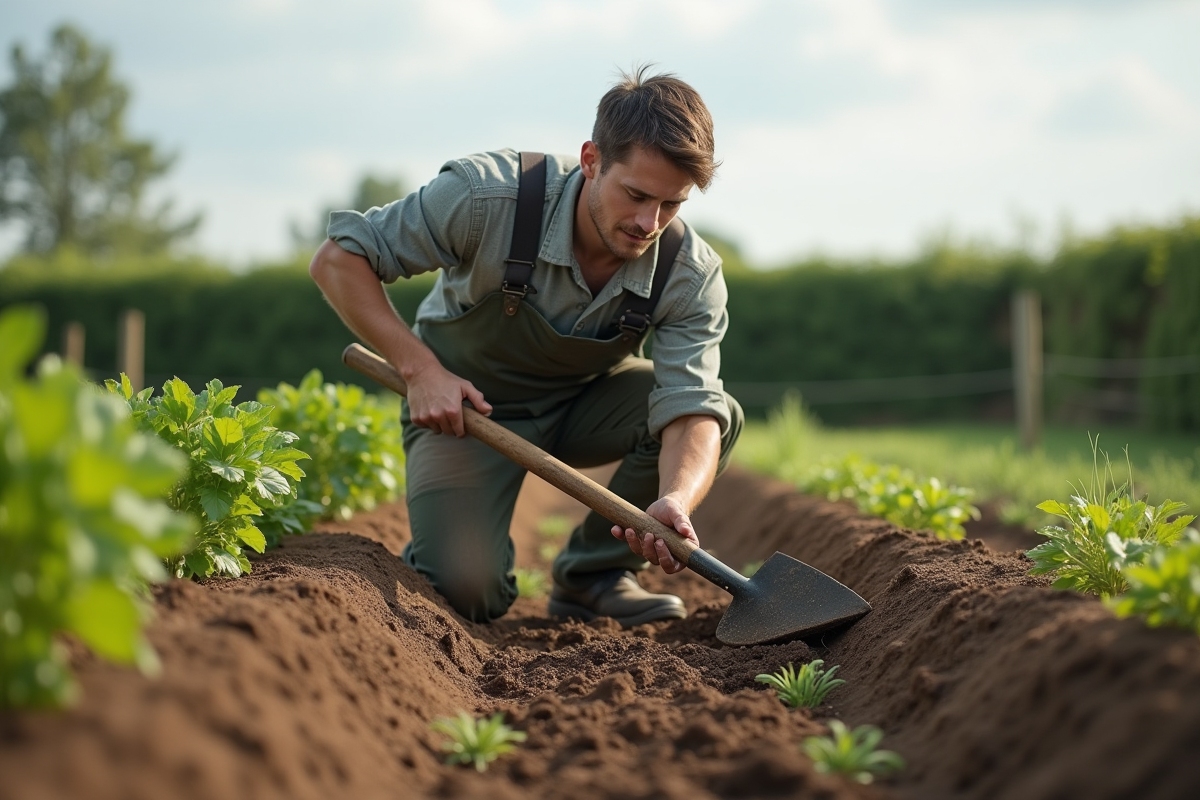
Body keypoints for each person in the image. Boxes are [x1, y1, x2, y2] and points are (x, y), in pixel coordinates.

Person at [309, 66, 743, 626]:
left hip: (580, 411)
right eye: (635, 195)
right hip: (462, 414)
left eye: (671, 205)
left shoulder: (689, 272)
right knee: (468, 593)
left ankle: (595, 576)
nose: (648, 222)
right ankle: (444, 549)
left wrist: (676, 501)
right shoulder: (489, 198)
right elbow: (338, 259)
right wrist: (420, 372)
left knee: (716, 413)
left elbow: (692, 403)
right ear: (591, 160)